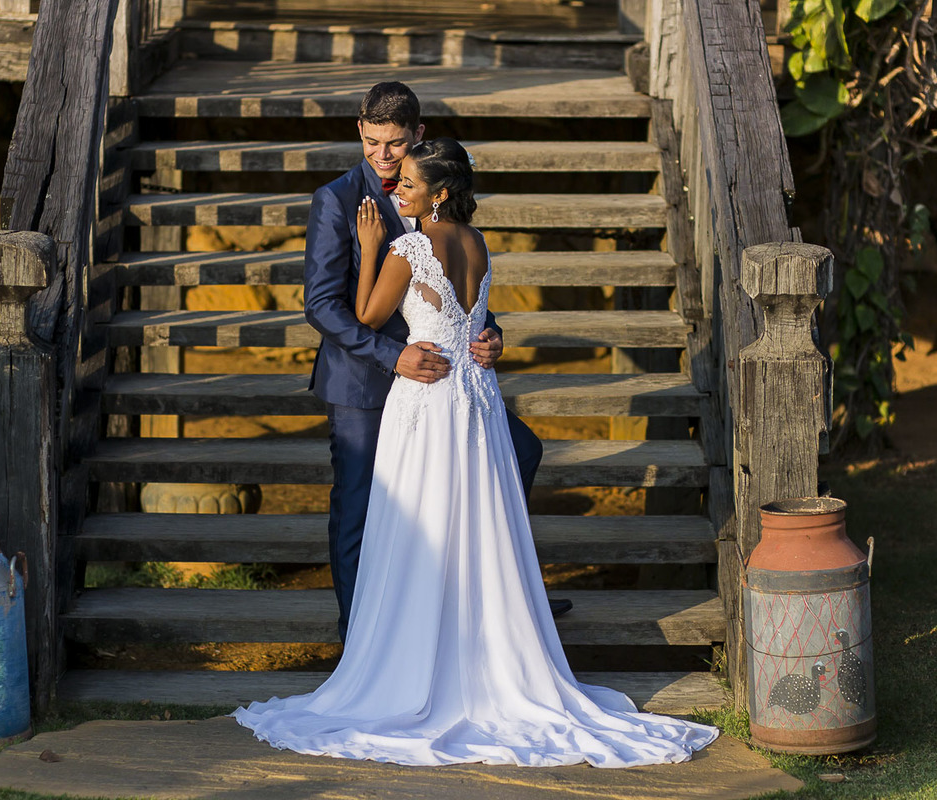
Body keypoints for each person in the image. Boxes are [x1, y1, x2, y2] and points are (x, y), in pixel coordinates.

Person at [232, 139, 719, 767]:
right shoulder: (476, 242)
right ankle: (472, 653)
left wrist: (375, 246)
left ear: (436, 192)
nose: (396, 191)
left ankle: (415, 667)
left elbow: (364, 311)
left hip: (428, 402)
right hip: (476, 396)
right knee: (472, 523)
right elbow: (474, 319)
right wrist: (484, 338)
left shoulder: (408, 247)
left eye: (406, 182)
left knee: (423, 524)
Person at [301, 82, 565, 644]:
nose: (382, 156)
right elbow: (322, 305)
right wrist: (394, 357)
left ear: (418, 135)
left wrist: (492, 334)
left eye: (394, 144)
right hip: (364, 379)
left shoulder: (437, 186)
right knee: (360, 507)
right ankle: (361, 639)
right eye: (372, 142)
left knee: (519, 450)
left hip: (446, 377)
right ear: (359, 130)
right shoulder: (337, 200)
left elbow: (459, 292)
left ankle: (493, 598)